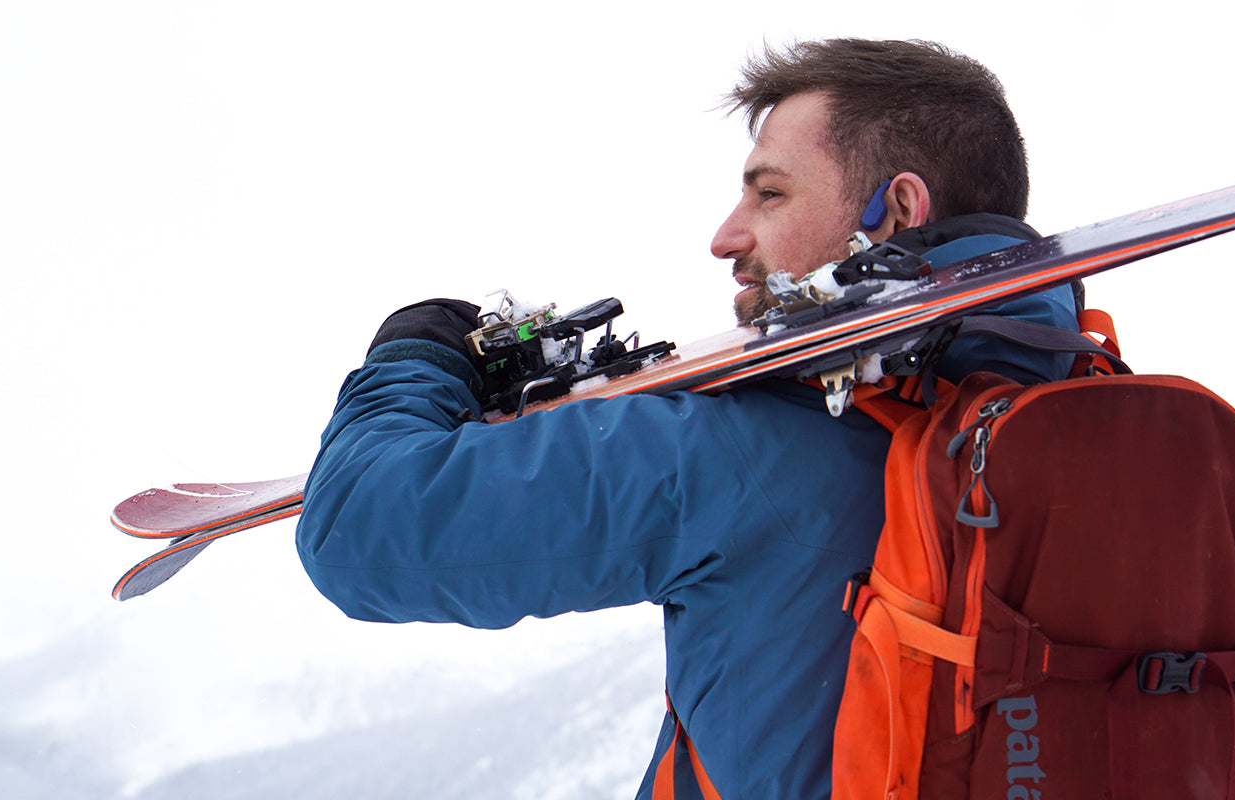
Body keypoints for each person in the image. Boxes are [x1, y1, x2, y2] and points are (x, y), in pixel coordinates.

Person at [296, 39, 1080, 799]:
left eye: (769, 194)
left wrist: (417, 355)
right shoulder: (1102, 422)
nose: (725, 237)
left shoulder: (733, 452)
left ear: (896, 210)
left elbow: (358, 527)